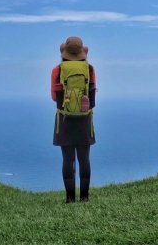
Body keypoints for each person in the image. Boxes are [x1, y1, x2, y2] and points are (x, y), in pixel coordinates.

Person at [50, 36, 96, 203]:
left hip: (64, 120)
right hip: (85, 120)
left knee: (67, 160)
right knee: (84, 159)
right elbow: (92, 97)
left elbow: (54, 97)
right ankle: (84, 198)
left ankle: (70, 199)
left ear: (64, 52)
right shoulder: (90, 69)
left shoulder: (57, 70)